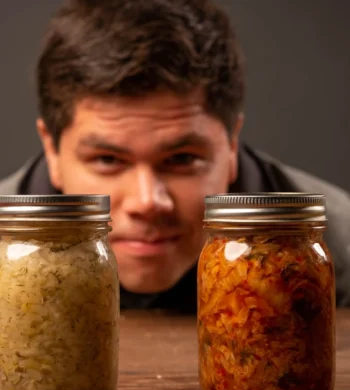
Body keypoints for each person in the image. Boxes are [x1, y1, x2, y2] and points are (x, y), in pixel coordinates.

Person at [0, 0, 349, 310]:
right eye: (107, 160)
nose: (147, 202)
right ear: (52, 150)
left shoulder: (340, 248)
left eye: (182, 159)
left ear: (231, 145)